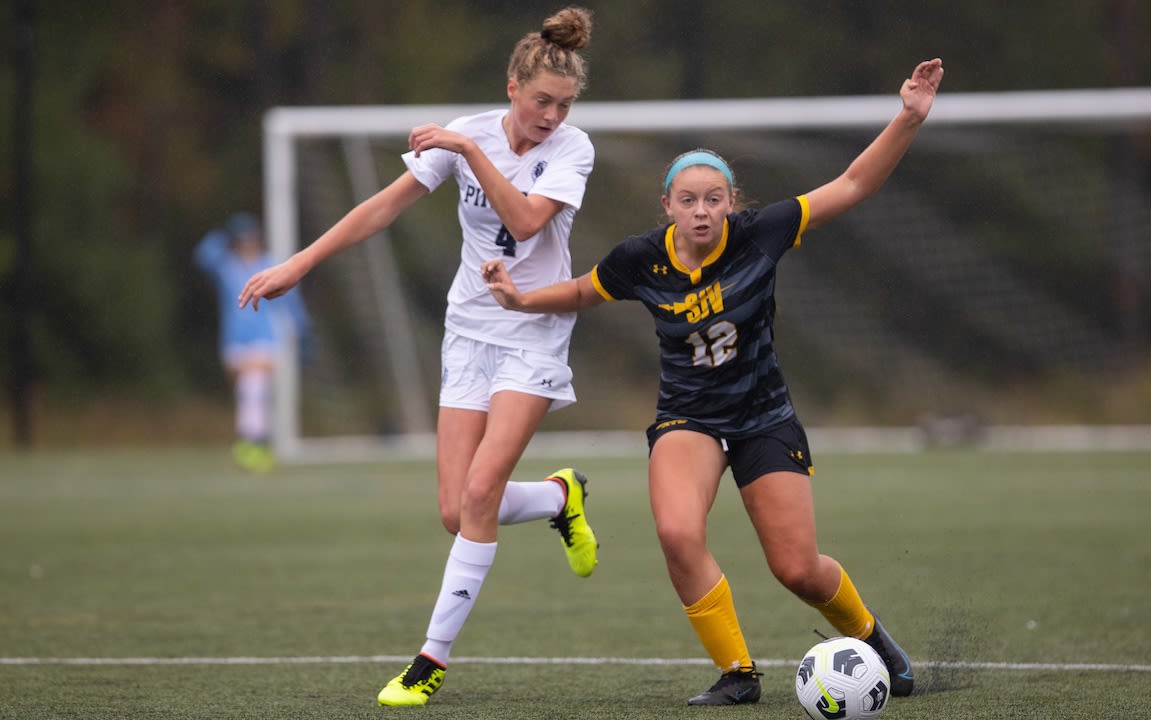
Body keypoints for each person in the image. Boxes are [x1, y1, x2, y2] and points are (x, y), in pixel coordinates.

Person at [483, 57, 945, 706]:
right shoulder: (640, 259)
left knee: (798, 570)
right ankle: (738, 674)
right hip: (688, 418)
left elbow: (852, 184)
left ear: (733, 203)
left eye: (714, 199)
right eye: (688, 200)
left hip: (763, 415)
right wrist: (518, 300)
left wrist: (907, 117)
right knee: (676, 532)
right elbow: (585, 291)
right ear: (667, 205)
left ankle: (873, 637)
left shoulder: (763, 234)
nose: (702, 211)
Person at [237, 6, 599, 708]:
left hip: (534, 328)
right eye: (541, 102)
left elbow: (526, 222)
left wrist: (467, 156)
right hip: (467, 331)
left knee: (479, 493)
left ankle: (430, 660)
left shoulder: (570, 150)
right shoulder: (468, 132)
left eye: (563, 104)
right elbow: (384, 205)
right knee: (453, 509)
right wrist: (300, 263)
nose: (552, 116)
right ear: (511, 88)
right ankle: (561, 496)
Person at [195, 211, 311, 472]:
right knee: (249, 395)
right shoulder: (228, 266)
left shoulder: (268, 264)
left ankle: (251, 442)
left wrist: (302, 330)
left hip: (264, 336)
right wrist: (222, 234)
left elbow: (290, 301)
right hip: (234, 339)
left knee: (254, 389)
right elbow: (203, 256)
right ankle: (256, 442)